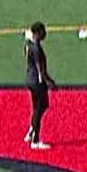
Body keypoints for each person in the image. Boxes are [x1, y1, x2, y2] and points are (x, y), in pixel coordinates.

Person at [24, 20, 55, 150]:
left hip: (30, 80)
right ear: (37, 33)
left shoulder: (29, 45)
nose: (44, 34)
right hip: (38, 82)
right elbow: (40, 69)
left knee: (40, 107)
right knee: (38, 109)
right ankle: (35, 140)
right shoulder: (36, 48)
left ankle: (32, 130)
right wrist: (49, 81)